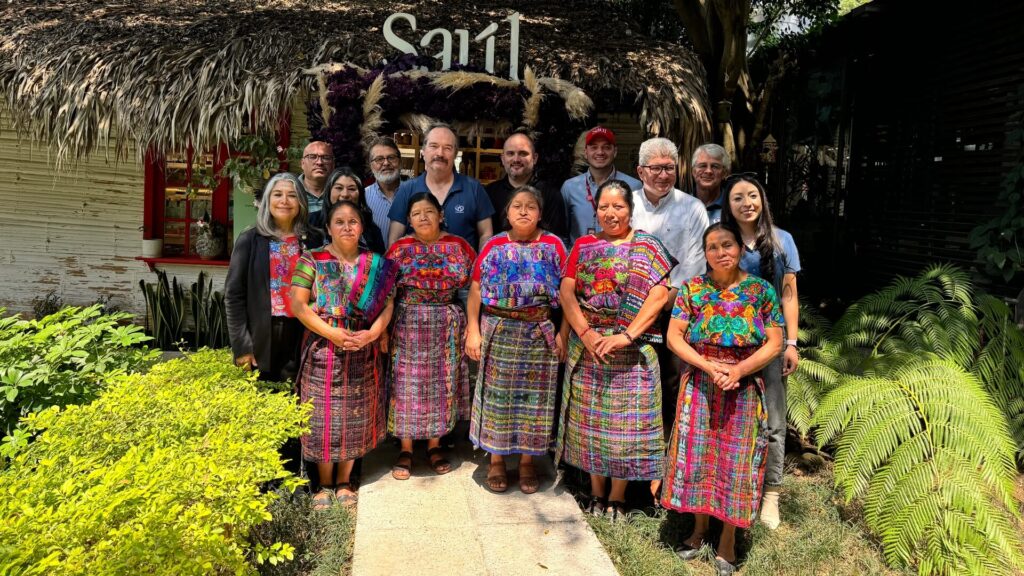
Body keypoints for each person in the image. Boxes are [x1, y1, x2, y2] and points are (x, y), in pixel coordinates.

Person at [662, 222, 784, 575]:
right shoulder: (692, 289)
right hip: (701, 382)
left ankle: (728, 539)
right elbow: (675, 337)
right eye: (712, 247)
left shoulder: (760, 291)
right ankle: (699, 529)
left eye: (727, 244)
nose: (721, 252)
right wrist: (707, 366)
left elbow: (774, 342)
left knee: (736, 459)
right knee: (697, 454)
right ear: (706, 254)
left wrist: (739, 370)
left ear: (740, 249)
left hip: (743, 386)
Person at [555, 179, 677, 521]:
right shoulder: (583, 245)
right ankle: (595, 492)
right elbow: (567, 293)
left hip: (632, 352)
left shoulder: (648, 248)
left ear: (630, 209)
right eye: (604, 207)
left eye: (618, 206)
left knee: (626, 429)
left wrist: (626, 336)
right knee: (590, 425)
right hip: (591, 349)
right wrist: (587, 334)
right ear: (596, 210)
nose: (611, 213)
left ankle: (619, 497)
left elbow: (658, 297)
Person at [289, 200, 398, 511]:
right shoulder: (312, 259)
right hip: (324, 348)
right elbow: (298, 305)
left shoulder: (376, 263)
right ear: (328, 228)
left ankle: (344, 481)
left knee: (356, 414)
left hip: (363, 347)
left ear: (362, 227)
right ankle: (322, 483)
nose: (347, 227)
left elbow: (389, 305)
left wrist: (373, 333)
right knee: (322, 416)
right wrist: (333, 333)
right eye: (340, 222)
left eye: (353, 221)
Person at [465, 186, 567, 494]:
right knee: (497, 398)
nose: (523, 211)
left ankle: (526, 462)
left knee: (534, 402)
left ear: (540, 213)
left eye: (531, 206)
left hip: (539, 334)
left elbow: (569, 295)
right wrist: (473, 329)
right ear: (507, 213)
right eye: (517, 206)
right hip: (499, 331)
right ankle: (495, 461)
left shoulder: (554, 245)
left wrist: (562, 334)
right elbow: (475, 290)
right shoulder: (494, 245)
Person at [720, 173, 801, 530]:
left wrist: (792, 342)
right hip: (729, 344)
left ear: (762, 199)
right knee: (729, 419)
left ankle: (771, 494)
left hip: (770, 344)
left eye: (752, 195)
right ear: (729, 204)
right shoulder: (723, 240)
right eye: (738, 197)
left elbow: (789, 294)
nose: (746, 203)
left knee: (773, 421)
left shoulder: (783, 241)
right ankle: (732, 486)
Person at [386, 192, 476, 479]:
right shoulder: (399, 249)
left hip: (446, 323)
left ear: (441, 215)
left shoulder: (459, 246)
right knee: (406, 385)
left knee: (442, 385)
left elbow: (475, 286)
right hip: (407, 323)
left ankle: (436, 444)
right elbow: (386, 293)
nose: (423, 217)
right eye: (416, 213)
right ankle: (407, 448)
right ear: (409, 220)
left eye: (429, 211)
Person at [631, 137, 710, 448]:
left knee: (673, 380)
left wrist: (668, 298)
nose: (663, 175)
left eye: (669, 168)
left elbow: (696, 260)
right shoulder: (628, 203)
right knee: (636, 380)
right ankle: (635, 452)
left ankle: (669, 452)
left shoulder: (692, 207)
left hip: (676, 311)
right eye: (656, 168)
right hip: (633, 310)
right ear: (640, 171)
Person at [225, 173, 321, 383]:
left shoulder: (313, 239)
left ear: (301, 202)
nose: (284, 201)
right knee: (263, 401)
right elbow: (234, 296)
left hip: (304, 330)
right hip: (263, 333)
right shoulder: (250, 239)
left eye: (292, 195)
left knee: (300, 399)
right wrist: (241, 346)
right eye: (277, 194)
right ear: (268, 201)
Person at [387, 123, 495, 251]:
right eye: (434, 146)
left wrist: (480, 267)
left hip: (464, 269)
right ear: (423, 152)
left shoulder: (474, 188)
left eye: (447, 148)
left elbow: (486, 234)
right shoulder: (406, 189)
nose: (440, 153)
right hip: (414, 269)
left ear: (455, 154)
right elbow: (394, 239)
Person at [561, 126, 642, 246]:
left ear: (615, 151)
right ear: (586, 152)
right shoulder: (570, 188)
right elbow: (563, 234)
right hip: (580, 262)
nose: (600, 152)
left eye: (606, 147)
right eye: (594, 147)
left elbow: (638, 228)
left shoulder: (634, 186)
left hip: (619, 260)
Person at [484, 130, 569, 243]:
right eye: (510, 153)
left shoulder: (550, 194)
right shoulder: (489, 193)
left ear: (534, 158)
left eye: (523, 153)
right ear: (502, 159)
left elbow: (557, 240)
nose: (516, 159)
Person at [313, 167, 386, 254]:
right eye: (339, 188)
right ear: (328, 192)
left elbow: (379, 264)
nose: (345, 194)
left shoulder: (371, 230)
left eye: (351, 189)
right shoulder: (311, 223)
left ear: (360, 195)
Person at [365, 136, 403, 245]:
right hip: (374, 261)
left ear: (400, 162)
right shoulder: (363, 197)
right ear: (371, 165)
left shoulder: (414, 193)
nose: (386, 163)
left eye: (391, 157)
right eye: (379, 159)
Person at [690, 143, 730, 223]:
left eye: (715, 166)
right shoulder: (681, 205)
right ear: (694, 172)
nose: (708, 171)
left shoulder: (732, 205)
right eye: (702, 166)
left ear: (724, 173)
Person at [298, 141, 336, 217]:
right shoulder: (292, 190)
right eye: (312, 157)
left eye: (326, 158)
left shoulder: (340, 193)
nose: (319, 162)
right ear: (302, 163)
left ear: (333, 165)